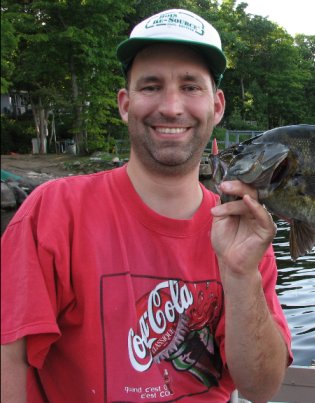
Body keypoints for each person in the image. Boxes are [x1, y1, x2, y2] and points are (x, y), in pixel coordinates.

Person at [1, 9, 292, 403]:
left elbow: (261, 388)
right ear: (124, 104)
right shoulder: (52, 212)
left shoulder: (244, 230)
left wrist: (240, 275)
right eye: (151, 86)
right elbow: (9, 361)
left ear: (217, 105)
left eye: (191, 87)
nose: (171, 107)